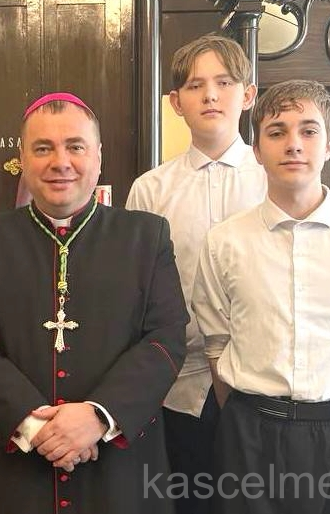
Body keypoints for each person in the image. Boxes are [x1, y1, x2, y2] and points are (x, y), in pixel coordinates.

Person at [0, 92, 187, 514]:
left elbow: (165, 340)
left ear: (98, 156)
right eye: (43, 148)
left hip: (119, 469)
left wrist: (98, 416)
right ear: (22, 158)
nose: (61, 162)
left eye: (75, 146)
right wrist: (35, 426)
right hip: (15, 469)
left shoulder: (146, 237)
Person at [193, 80, 330, 514]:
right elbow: (216, 341)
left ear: (328, 145)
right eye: (277, 132)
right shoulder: (223, 242)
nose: (293, 144)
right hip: (251, 434)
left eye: (308, 131)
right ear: (257, 150)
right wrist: (253, 415)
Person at [126, 35, 265, 514]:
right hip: (181, 385)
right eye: (195, 85)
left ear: (247, 95)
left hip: (261, 382)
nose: (210, 95)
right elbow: (137, 292)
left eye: (224, 83)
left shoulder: (274, 179)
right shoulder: (151, 190)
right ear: (175, 102)